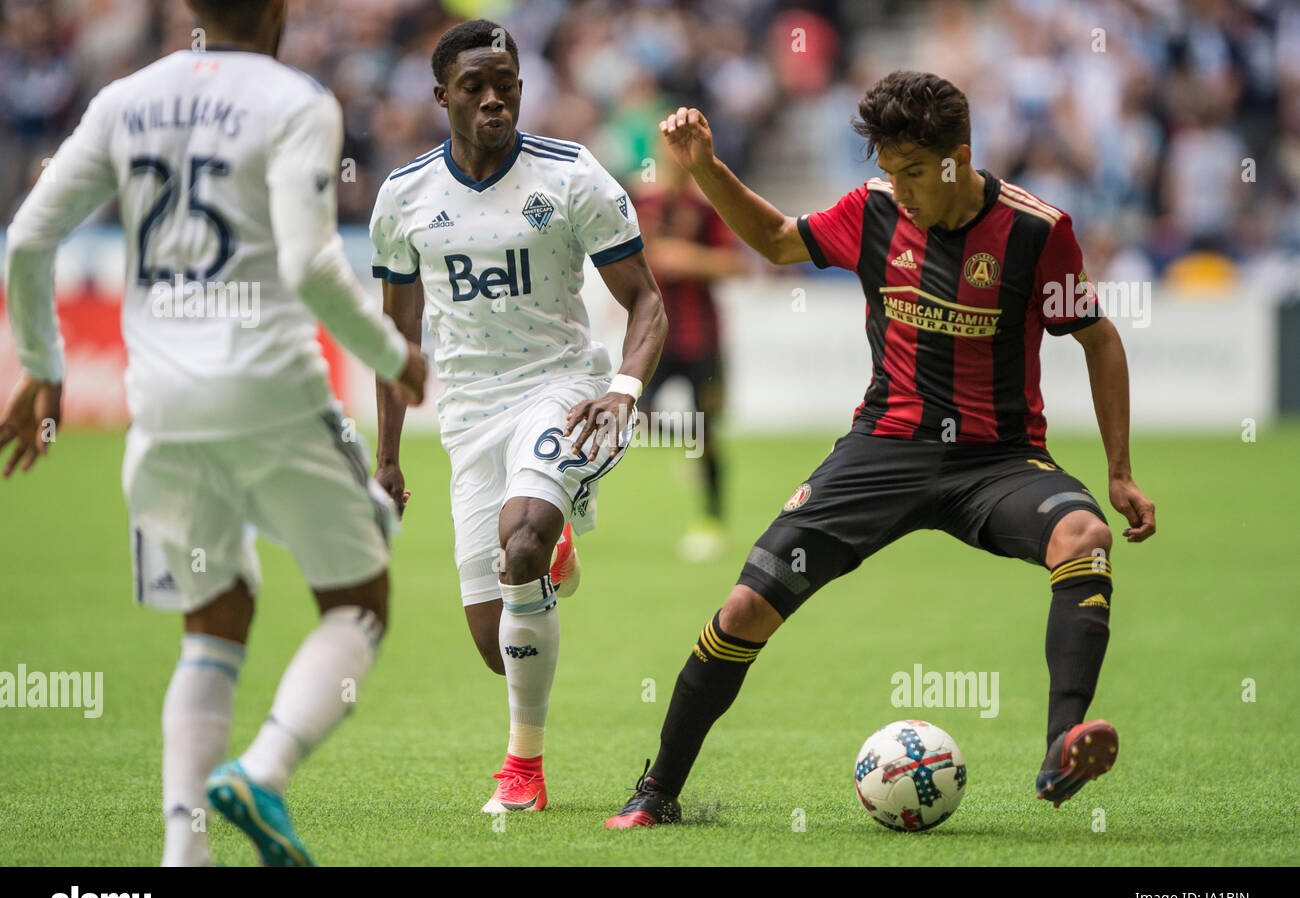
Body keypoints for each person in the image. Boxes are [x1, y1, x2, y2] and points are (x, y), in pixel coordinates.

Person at [605, 71, 1156, 828]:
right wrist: (705, 166)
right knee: (742, 609)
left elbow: (1099, 339)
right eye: (890, 171)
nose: (903, 188)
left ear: (960, 157)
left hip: (997, 462)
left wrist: (1118, 472)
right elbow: (772, 240)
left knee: (1084, 536)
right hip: (884, 450)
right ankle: (657, 791)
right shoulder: (872, 211)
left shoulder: (1037, 231)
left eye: (917, 172)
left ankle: (1064, 742)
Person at [1, 0, 427, 865]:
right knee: (359, 601)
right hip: (271, 391)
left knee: (212, 623)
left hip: (161, 407)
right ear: (279, 9)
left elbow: (29, 238)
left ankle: (181, 854)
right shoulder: (296, 100)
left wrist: (41, 364)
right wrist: (393, 355)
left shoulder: (126, 98)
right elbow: (312, 265)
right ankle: (263, 772)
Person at [369, 20, 666, 813]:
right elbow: (396, 336)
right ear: (442, 96)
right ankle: (552, 556)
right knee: (497, 644)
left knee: (523, 538)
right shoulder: (403, 198)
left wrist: (624, 391)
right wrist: (388, 456)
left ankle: (523, 770)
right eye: (475, 85)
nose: (495, 97)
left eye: (508, 81)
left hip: (561, 389)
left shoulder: (572, 177)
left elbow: (645, 299)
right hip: (470, 415)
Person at [633, 158, 747, 562]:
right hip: (656, 338)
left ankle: (712, 522)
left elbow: (736, 264)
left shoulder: (707, 208)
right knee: (633, 415)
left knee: (711, 437)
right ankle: (686, 438)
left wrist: (686, 257)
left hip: (702, 341)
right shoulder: (642, 201)